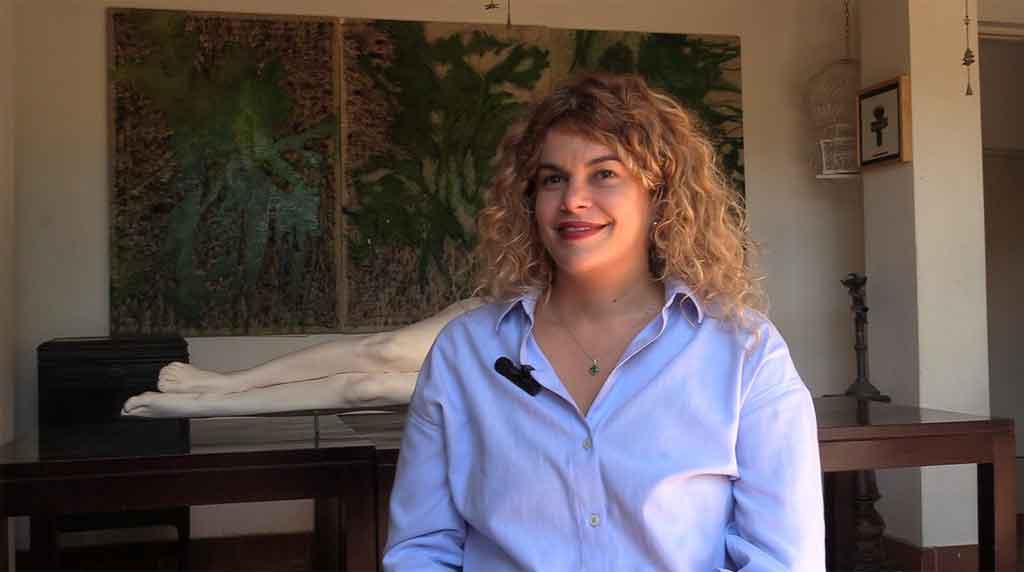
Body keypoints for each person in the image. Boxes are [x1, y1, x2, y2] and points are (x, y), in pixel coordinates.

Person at [383, 73, 825, 571]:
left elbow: (782, 559)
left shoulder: (745, 352)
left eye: (604, 174)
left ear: (659, 195)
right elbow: (420, 550)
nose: (573, 199)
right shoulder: (465, 354)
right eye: (553, 178)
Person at [120, 297, 482, 417]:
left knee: (369, 389)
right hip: (503, 313)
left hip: (511, 378)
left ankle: (207, 406)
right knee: (384, 350)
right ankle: (229, 383)